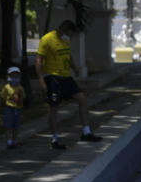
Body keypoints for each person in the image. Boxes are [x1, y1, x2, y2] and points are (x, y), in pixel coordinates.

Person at [35, 20, 102, 150]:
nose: (69, 37)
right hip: (52, 77)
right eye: (69, 34)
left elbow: (68, 55)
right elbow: (39, 60)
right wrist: (42, 80)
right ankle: (55, 139)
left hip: (66, 77)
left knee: (82, 99)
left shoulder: (66, 40)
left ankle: (86, 132)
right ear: (62, 30)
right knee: (54, 107)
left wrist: (75, 68)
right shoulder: (47, 39)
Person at [0, 66, 25, 149]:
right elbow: (3, 97)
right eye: (12, 76)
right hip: (9, 108)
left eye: (16, 76)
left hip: (17, 109)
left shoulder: (20, 88)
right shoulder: (6, 87)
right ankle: (9, 141)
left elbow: (22, 98)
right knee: (8, 126)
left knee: (16, 126)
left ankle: (15, 140)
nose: (15, 78)